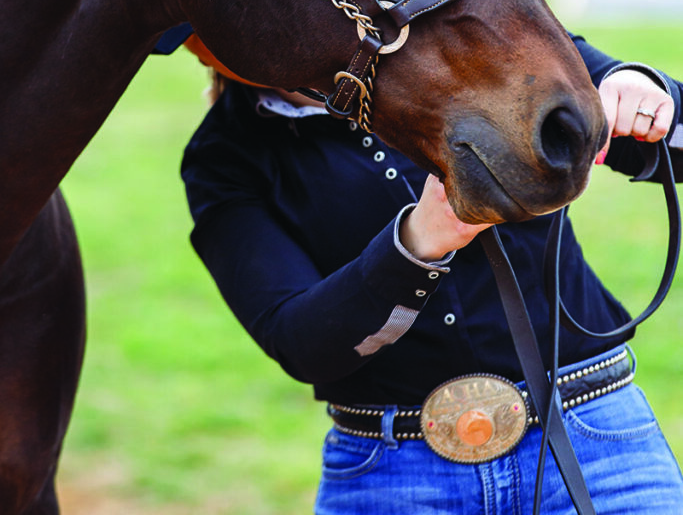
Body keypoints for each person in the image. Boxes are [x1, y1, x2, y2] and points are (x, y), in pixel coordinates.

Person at [180, 34, 683, 514]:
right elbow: (299, 342)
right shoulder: (223, 157)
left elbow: (671, 146)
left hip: (593, 437)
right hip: (391, 476)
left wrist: (642, 93)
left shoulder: (476, 33)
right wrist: (417, 243)